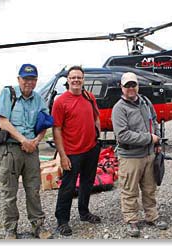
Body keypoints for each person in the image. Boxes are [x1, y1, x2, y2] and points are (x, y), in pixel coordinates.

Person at [0, 64, 53, 239]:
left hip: (31, 150)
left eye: (32, 79)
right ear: (18, 79)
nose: (29, 82)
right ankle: (10, 229)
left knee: (33, 190)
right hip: (10, 150)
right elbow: (2, 122)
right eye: (25, 79)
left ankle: (38, 226)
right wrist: (24, 140)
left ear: (36, 81)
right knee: (9, 191)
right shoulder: (8, 93)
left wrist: (36, 141)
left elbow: (45, 122)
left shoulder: (38, 99)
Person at [111, 72, 168, 238]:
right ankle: (131, 219)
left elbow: (154, 121)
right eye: (127, 85)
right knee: (129, 190)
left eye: (133, 85)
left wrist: (156, 143)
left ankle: (152, 216)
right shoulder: (119, 108)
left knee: (150, 188)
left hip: (149, 154)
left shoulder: (145, 102)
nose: (130, 88)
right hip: (130, 157)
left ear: (137, 86)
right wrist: (150, 138)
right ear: (122, 88)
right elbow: (122, 135)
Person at [52, 65, 101, 236]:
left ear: (83, 79)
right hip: (72, 152)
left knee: (87, 183)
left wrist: (97, 137)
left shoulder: (89, 96)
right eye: (72, 77)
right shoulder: (60, 102)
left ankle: (84, 212)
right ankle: (62, 221)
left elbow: (96, 116)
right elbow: (56, 129)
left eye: (79, 77)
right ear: (68, 80)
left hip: (91, 149)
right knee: (68, 186)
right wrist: (62, 155)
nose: (76, 80)